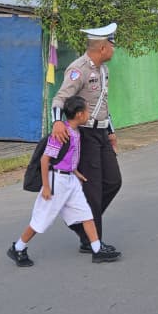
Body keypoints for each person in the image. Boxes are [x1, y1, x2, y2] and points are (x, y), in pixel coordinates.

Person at [8, 95, 121, 267]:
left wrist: (75, 171)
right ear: (78, 115)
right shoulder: (61, 134)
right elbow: (45, 160)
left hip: (71, 180)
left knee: (86, 214)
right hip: (56, 181)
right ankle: (18, 247)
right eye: (87, 112)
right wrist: (46, 187)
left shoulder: (76, 132)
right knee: (42, 219)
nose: (89, 115)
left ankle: (97, 250)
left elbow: (68, 157)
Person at [50, 22, 122, 255]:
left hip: (101, 133)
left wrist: (110, 131)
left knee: (113, 182)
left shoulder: (103, 70)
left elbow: (102, 104)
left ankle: (83, 225)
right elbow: (59, 99)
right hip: (86, 136)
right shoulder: (78, 69)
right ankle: (94, 243)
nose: (114, 49)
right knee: (93, 189)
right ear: (102, 48)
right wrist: (57, 122)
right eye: (112, 44)